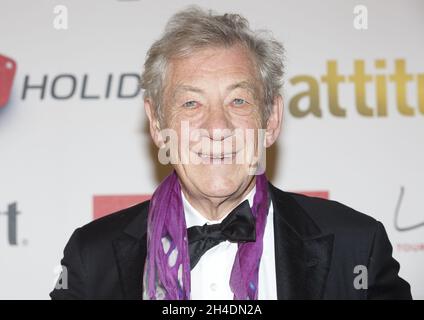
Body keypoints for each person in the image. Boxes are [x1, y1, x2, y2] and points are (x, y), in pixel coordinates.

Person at [50, 6, 411, 300]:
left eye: (238, 101)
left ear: (270, 119)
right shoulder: (92, 257)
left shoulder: (358, 245)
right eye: (191, 103)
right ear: (158, 124)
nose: (217, 128)